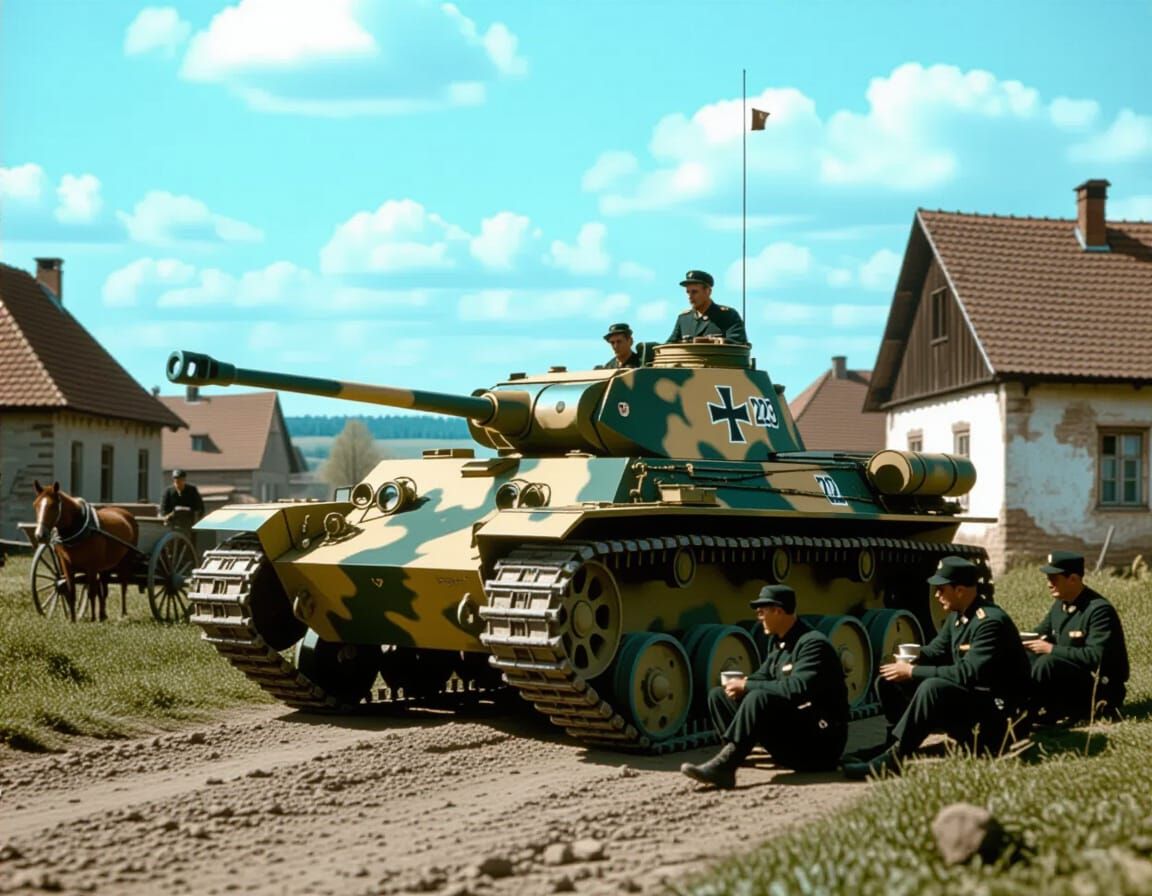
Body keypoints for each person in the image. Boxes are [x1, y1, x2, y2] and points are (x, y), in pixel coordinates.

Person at [842, 556, 1030, 780]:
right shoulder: (958, 616)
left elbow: (967, 674)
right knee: (888, 679)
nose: (937, 595)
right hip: (978, 705)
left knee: (932, 688)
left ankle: (895, 759)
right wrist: (908, 658)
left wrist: (912, 671)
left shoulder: (989, 622)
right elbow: (935, 651)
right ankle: (891, 745)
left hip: (1001, 722)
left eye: (941, 589)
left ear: (960, 590)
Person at [680, 584, 848, 789]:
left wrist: (748, 685)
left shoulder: (812, 644)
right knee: (719, 695)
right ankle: (736, 751)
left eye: (761, 611)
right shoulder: (780, 643)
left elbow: (797, 688)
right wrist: (738, 684)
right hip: (799, 733)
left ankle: (725, 768)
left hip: (820, 746)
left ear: (778, 610)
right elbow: (763, 675)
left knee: (757, 696)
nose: (758, 616)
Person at [1023, 550, 1129, 723]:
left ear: (1072, 579)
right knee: (1027, 655)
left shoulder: (1098, 610)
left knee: (1047, 662)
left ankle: (1027, 717)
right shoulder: (1060, 605)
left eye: (1054, 579)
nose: (1049, 584)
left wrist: (1052, 649)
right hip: (1073, 680)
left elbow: (1097, 656)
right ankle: (1018, 710)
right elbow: (1039, 633)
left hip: (1100, 689)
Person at [665, 270, 747, 345]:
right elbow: (670, 345)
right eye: (688, 292)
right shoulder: (684, 319)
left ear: (708, 291)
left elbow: (738, 343)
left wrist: (709, 341)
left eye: (694, 292)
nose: (690, 296)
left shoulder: (728, 316)